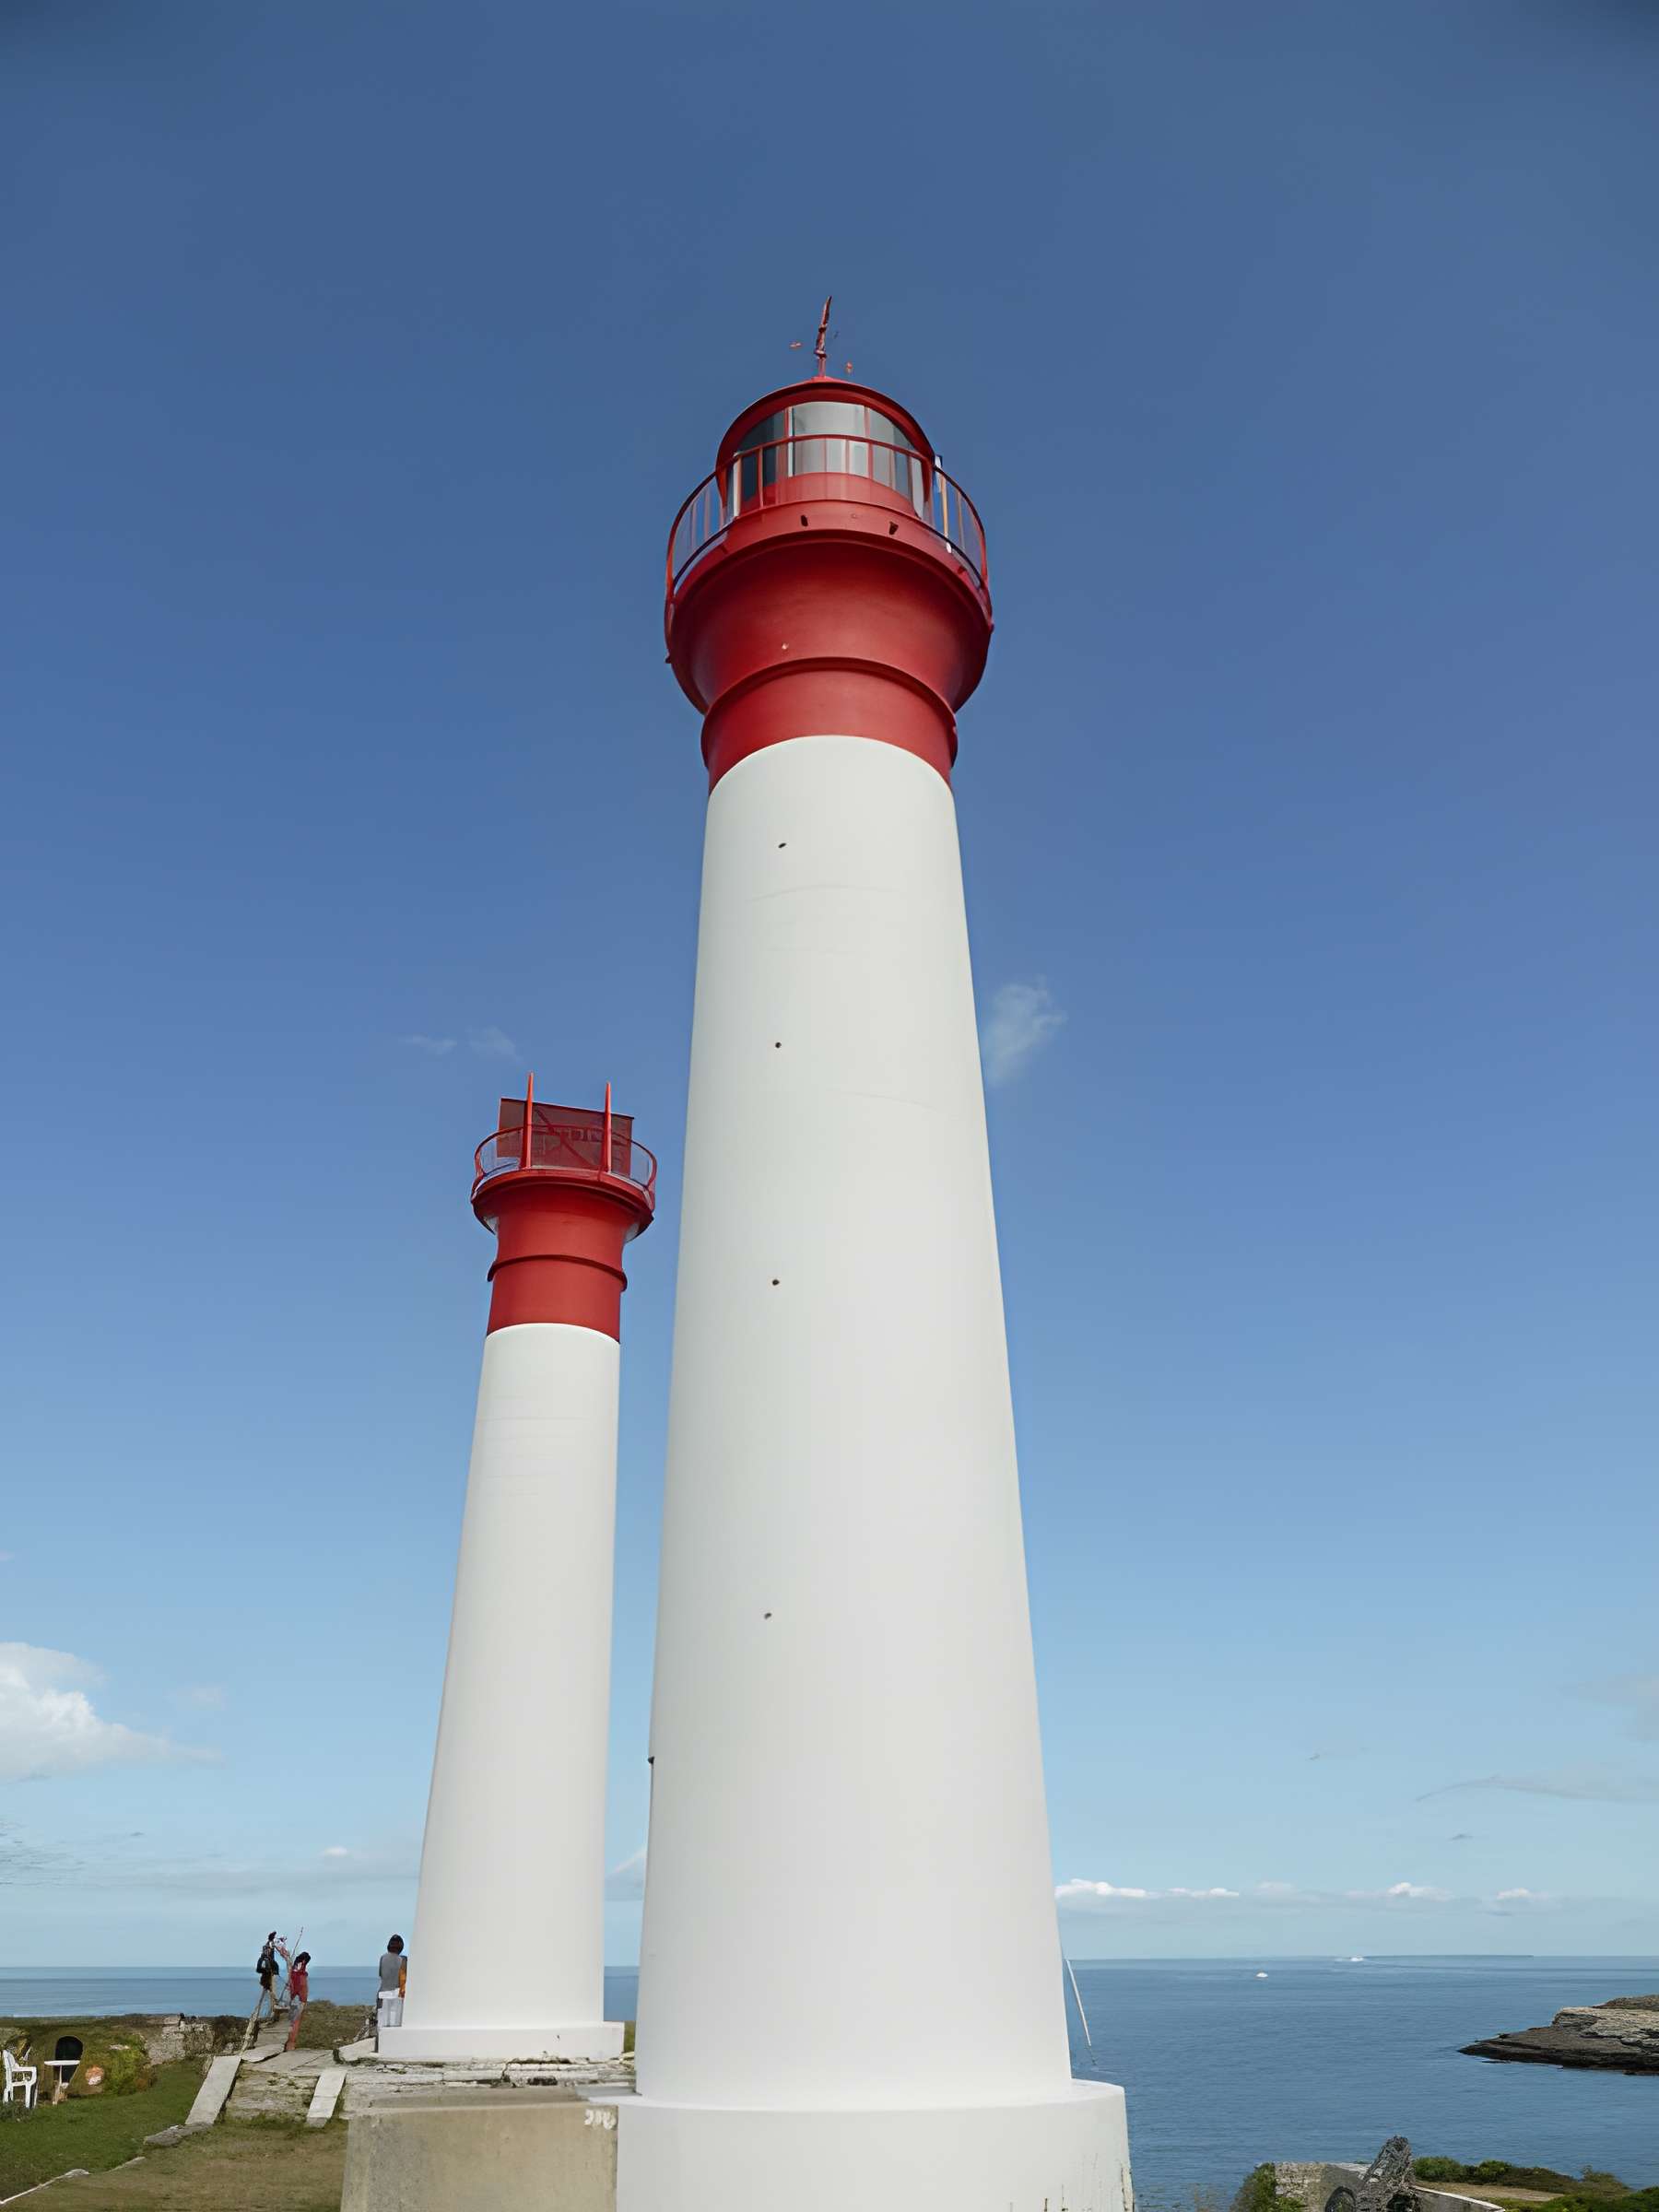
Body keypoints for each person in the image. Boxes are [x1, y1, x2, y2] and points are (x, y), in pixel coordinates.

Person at [377, 1935, 407, 2036]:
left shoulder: (383, 1958)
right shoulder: (403, 1960)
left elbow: (381, 1974)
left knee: (381, 2022)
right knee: (394, 2022)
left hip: (382, 1993)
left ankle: (379, 2044)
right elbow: (404, 1979)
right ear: (401, 1947)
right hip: (396, 1993)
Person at [282, 1947, 312, 2052]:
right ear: (304, 1961)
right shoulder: (300, 1975)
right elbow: (301, 1988)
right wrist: (303, 2000)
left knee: (291, 2022)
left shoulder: (293, 1970)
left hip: (292, 1999)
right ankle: (290, 2045)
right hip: (298, 2000)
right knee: (295, 2023)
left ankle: (288, 2044)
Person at [253, 1932, 283, 2023]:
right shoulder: (264, 1958)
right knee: (270, 1992)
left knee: (270, 1992)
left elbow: (273, 1968)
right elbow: (259, 1969)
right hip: (267, 1978)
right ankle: (273, 2008)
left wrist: (273, 1972)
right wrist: (267, 1971)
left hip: (269, 1978)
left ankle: (274, 2010)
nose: (269, 1951)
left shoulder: (267, 1958)